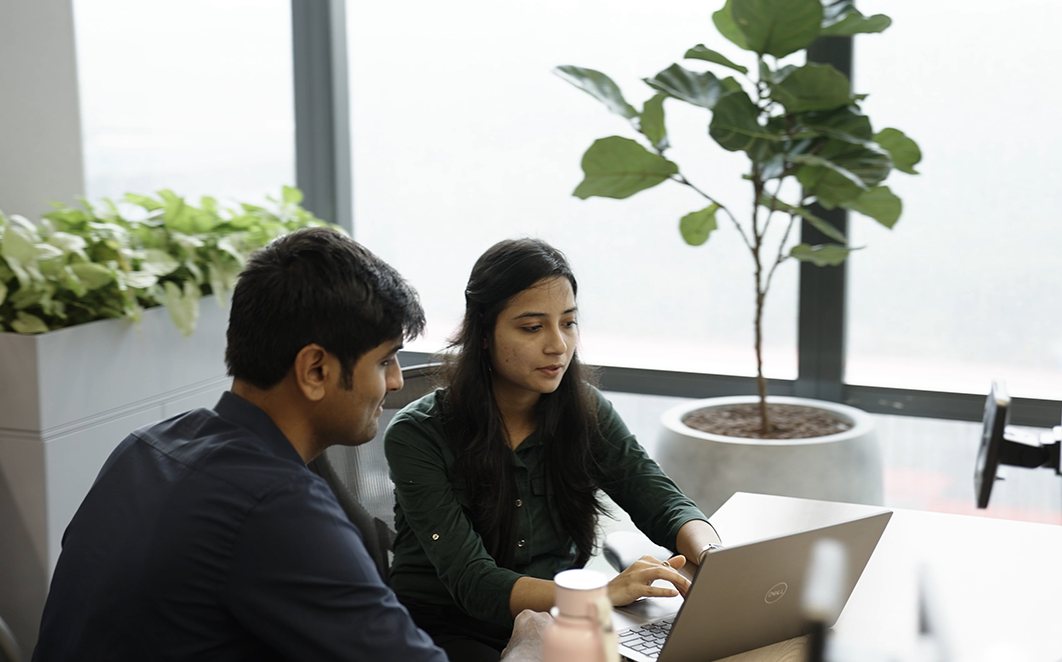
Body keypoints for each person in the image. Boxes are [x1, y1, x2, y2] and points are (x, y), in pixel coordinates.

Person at [32, 227, 549, 661]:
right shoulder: (275, 509)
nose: (394, 383)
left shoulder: (146, 448)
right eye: (384, 360)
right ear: (316, 369)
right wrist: (530, 646)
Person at [384, 238, 723, 662]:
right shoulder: (418, 434)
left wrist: (713, 555)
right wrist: (602, 593)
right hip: (442, 630)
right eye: (532, 327)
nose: (558, 345)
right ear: (484, 333)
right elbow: (473, 582)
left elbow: (661, 500)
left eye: (568, 323)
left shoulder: (585, 411)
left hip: (557, 620)